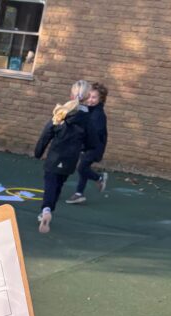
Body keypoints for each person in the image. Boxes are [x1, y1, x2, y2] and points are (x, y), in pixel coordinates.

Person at [33, 81, 100, 234]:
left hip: (55, 156)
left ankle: (46, 209)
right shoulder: (87, 120)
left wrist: (38, 152)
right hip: (70, 159)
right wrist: (82, 146)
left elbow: (47, 133)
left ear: (71, 95)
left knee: (50, 183)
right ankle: (48, 211)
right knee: (58, 185)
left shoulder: (61, 113)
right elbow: (93, 142)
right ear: (87, 97)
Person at [66, 82, 110, 205]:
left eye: (94, 97)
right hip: (86, 145)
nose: (90, 100)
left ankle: (99, 178)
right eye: (89, 96)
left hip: (95, 146)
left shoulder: (98, 114)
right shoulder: (87, 110)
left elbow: (95, 132)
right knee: (84, 168)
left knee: (82, 167)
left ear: (100, 99)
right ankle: (79, 194)